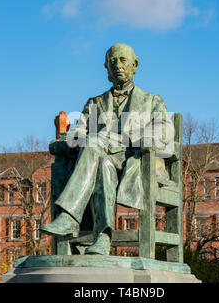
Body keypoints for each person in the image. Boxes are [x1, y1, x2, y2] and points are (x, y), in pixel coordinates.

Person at [40, 43, 174, 255]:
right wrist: (75, 136)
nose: (118, 65)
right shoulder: (95, 103)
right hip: (103, 162)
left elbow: (165, 130)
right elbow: (80, 128)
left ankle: (69, 216)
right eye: (113, 62)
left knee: (95, 144)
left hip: (135, 160)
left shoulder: (151, 101)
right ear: (106, 68)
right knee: (101, 159)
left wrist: (135, 138)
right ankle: (102, 237)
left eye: (123, 60)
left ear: (134, 65)